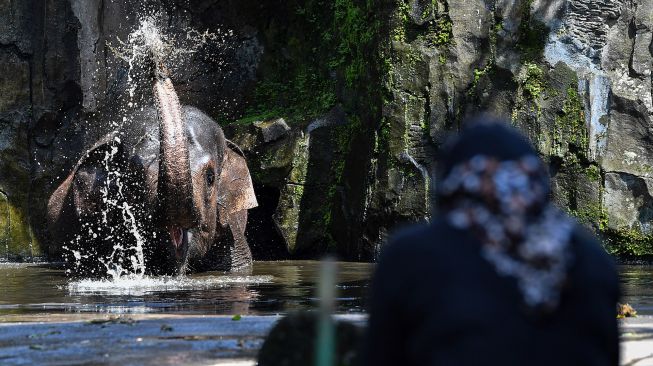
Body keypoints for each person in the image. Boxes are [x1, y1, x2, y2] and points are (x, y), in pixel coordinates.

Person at [363, 118, 619, 365]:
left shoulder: (411, 257)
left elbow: (380, 356)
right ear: (534, 179)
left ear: (453, 183)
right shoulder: (591, 258)